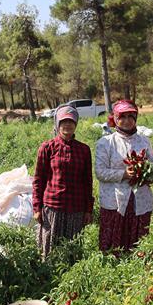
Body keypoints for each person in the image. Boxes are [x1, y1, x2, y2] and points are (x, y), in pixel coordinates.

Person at [32, 105, 93, 258]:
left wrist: (88, 210)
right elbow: (38, 179)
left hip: (76, 209)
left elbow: (87, 182)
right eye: (63, 121)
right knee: (50, 250)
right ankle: (47, 279)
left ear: (76, 124)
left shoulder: (84, 150)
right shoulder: (47, 147)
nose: (67, 125)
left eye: (71, 121)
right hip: (52, 208)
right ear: (57, 123)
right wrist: (37, 207)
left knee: (72, 252)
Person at [95, 100, 153, 253]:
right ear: (115, 119)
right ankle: (113, 268)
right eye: (122, 116)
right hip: (115, 199)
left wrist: (147, 174)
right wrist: (124, 174)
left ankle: (138, 268)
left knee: (139, 241)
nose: (127, 120)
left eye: (131, 116)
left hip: (140, 198)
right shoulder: (106, 142)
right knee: (113, 244)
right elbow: (100, 172)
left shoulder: (144, 141)